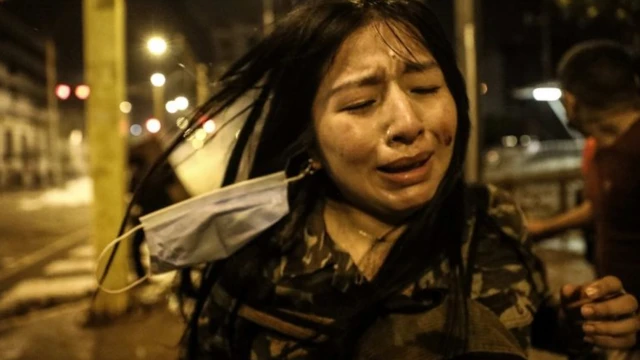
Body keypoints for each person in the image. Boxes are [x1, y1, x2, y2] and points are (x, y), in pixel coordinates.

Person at [119, 3, 639, 359]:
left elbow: (525, 317)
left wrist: (580, 326)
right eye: (361, 103)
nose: (408, 124)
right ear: (311, 140)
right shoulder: (255, 250)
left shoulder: (493, 218)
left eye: (425, 87)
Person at [527, 40, 640, 359]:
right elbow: (604, 206)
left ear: (571, 101)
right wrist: (542, 228)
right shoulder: (602, 147)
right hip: (619, 320)